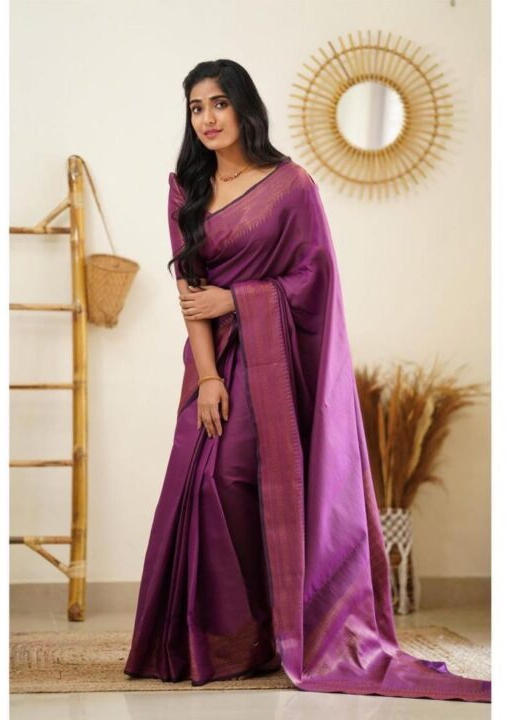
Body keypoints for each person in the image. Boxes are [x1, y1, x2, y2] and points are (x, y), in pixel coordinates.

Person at [123, 59, 491, 703]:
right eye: (196, 108)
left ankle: (278, 630)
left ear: (244, 108)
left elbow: (314, 279)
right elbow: (190, 292)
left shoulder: (290, 185)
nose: (207, 118)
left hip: (277, 363)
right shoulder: (188, 189)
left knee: (250, 482)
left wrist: (238, 300)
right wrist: (207, 378)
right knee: (207, 483)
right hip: (216, 363)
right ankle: (225, 639)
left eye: (218, 103)